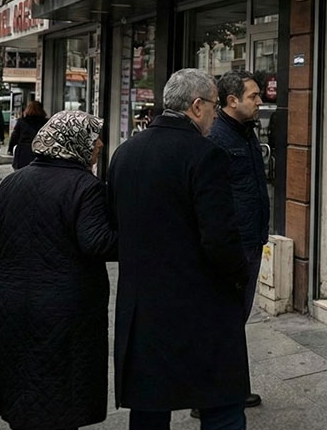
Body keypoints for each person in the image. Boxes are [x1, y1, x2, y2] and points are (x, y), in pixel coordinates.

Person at [108, 68, 249, 430]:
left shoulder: (125, 153)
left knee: (150, 404)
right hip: (199, 304)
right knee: (222, 404)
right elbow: (219, 238)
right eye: (215, 107)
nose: (216, 115)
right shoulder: (205, 155)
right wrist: (238, 278)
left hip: (142, 304)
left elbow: (114, 225)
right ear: (196, 106)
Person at [0, 111, 116, 430]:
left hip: (13, 304)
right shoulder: (86, 187)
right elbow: (97, 243)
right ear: (75, 142)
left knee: (23, 386)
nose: (100, 145)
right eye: (94, 137)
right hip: (65, 310)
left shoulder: (13, 182)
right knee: (61, 395)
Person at [207, 71, 269, 411]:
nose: (260, 101)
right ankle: (209, 394)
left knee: (234, 319)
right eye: (254, 96)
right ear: (232, 101)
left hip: (251, 239)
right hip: (235, 244)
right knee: (225, 319)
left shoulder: (245, 133)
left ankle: (229, 387)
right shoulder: (217, 138)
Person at [7, 101, 48, 170]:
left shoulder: (21, 121)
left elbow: (15, 136)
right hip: (40, 150)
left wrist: (10, 149)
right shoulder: (46, 122)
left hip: (24, 151)